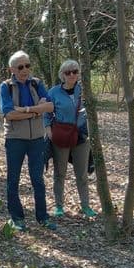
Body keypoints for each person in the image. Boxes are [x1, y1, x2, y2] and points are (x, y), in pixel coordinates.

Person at [0, 50, 55, 232]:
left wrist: (25, 110)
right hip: (15, 139)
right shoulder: (5, 87)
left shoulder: (36, 83)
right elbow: (9, 113)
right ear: (12, 69)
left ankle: (42, 217)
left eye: (28, 65)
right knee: (13, 180)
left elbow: (49, 106)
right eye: (21, 67)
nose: (25, 70)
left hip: (37, 138)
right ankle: (17, 218)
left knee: (38, 179)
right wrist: (35, 111)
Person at [44, 60, 97, 218]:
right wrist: (49, 132)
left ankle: (86, 205)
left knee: (81, 174)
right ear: (62, 75)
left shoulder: (84, 90)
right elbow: (46, 114)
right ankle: (59, 206)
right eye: (68, 72)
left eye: (75, 71)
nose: (72, 75)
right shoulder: (53, 92)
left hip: (81, 136)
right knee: (60, 173)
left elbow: (92, 111)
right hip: (61, 135)